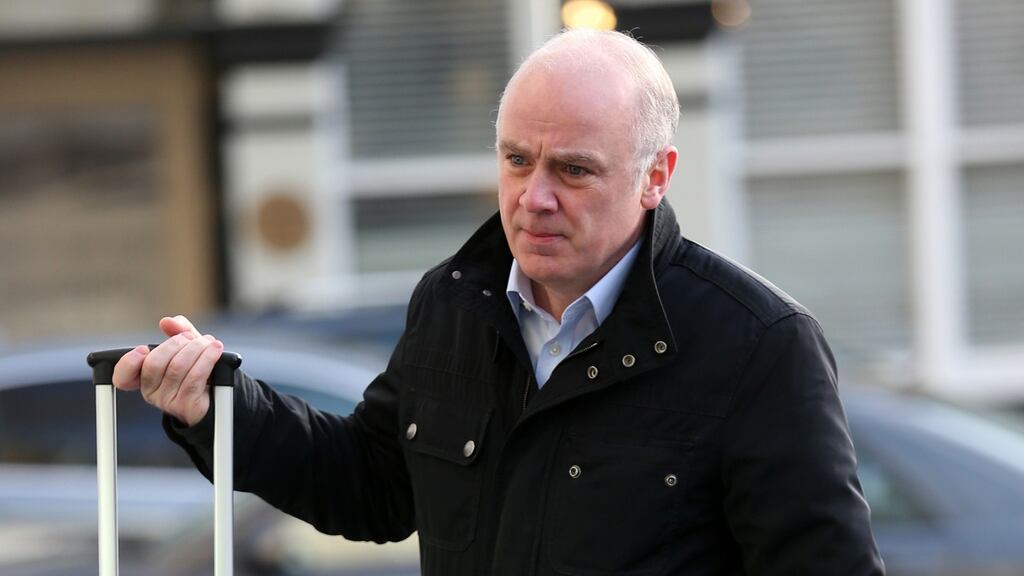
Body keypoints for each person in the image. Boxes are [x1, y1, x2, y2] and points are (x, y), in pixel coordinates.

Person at [113, 29, 884, 575]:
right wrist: (220, 407)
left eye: (574, 170)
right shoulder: (453, 304)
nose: (534, 197)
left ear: (656, 176)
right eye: (517, 160)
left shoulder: (758, 345)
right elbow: (373, 487)